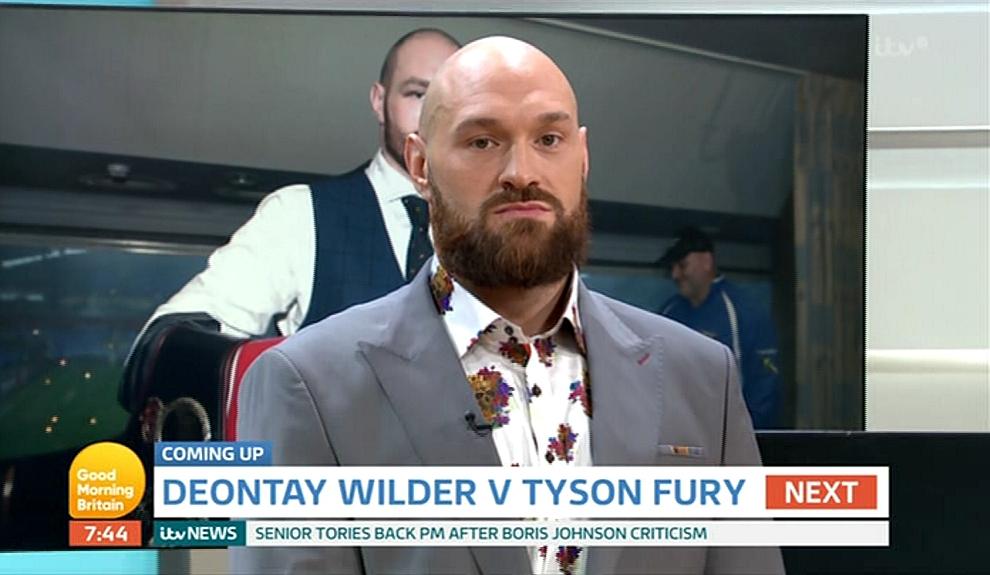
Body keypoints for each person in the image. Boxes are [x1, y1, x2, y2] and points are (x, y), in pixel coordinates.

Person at [232, 36, 784, 575]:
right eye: (482, 142)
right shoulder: (306, 385)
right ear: (420, 165)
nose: (522, 172)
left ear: (582, 157)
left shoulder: (701, 377)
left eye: (549, 139)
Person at [118, 28, 460, 414]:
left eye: (450, 102)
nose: (432, 118)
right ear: (379, 101)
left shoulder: (493, 234)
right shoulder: (300, 215)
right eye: (417, 94)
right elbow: (165, 342)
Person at [659, 227, 781, 429]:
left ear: (706, 261)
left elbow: (765, 384)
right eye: (671, 267)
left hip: (734, 436)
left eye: (682, 265)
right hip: (681, 435)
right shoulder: (669, 312)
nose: (675, 274)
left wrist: (751, 436)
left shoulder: (743, 311)